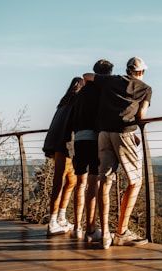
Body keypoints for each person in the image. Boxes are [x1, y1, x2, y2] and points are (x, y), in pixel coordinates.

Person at [83, 56, 152, 249]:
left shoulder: (111, 80)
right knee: (136, 181)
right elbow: (141, 116)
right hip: (123, 133)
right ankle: (121, 232)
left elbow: (87, 76)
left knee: (105, 180)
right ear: (141, 72)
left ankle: (105, 234)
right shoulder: (145, 89)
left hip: (103, 133)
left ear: (128, 69)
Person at [71, 60, 114, 241]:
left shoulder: (81, 93)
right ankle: (90, 229)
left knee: (80, 183)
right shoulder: (102, 91)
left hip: (78, 139)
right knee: (94, 183)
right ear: (108, 74)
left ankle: (76, 227)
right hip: (95, 139)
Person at [43, 77, 84, 236]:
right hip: (65, 143)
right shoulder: (76, 103)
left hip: (55, 141)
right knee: (60, 180)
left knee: (71, 180)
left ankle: (60, 217)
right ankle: (53, 221)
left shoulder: (63, 103)